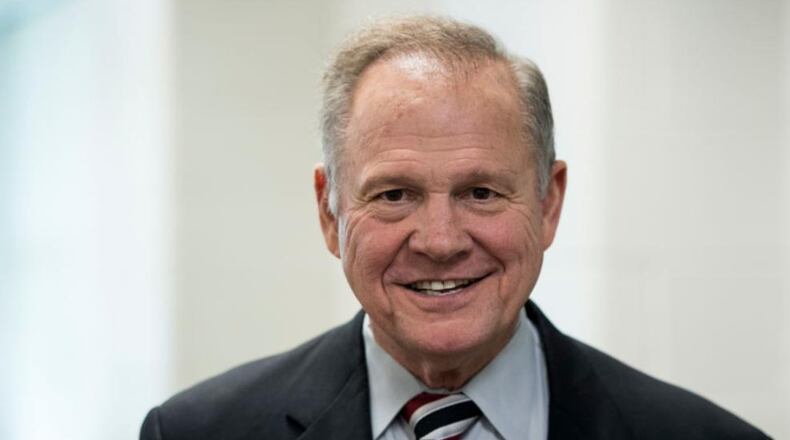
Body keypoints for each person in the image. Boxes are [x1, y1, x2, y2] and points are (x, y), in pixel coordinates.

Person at [140, 16, 770, 440]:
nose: (440, 241)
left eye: (481, 192)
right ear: (329, 212)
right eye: (394, 194)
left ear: (548, 204)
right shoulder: (198, 431)